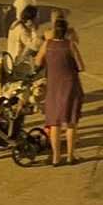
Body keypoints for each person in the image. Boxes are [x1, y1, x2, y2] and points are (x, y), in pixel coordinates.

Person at [35, 14, 84, 166]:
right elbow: (81, 66)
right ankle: (70, 156)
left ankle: (56, 157)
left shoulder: (47, 44)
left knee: (54, 122)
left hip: (54, 86)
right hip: (70, 85)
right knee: (70, 122)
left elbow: (37, 61)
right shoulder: (70, 45)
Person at [7, 3, 42, 73]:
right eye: (37, 17)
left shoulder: (16, 24)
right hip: (16, 63)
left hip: (11, 59)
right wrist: (33, 29)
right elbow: (34, 46)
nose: (38, 19)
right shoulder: (22, 30)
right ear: (30, 20)